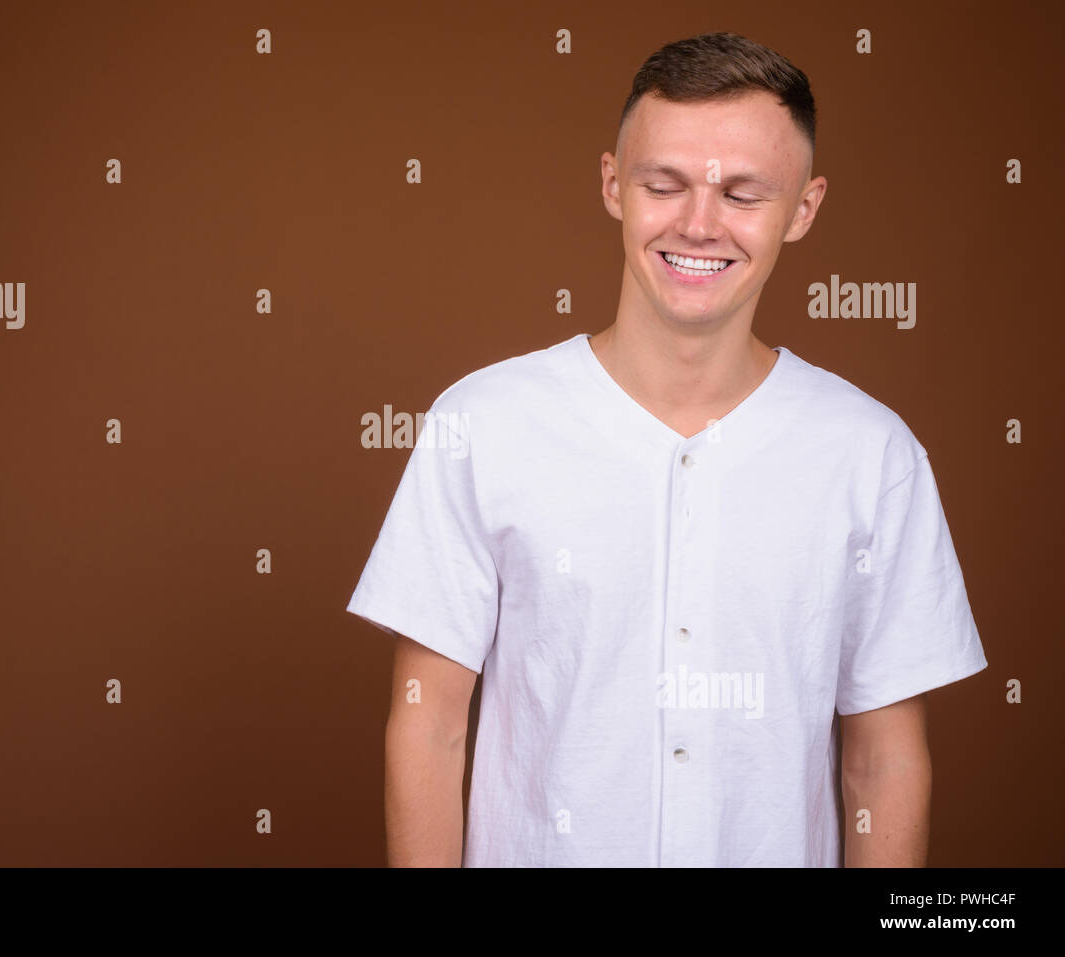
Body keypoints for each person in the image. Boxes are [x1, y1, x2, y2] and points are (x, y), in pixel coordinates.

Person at [345, 31, 987, 867]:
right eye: (664, 183)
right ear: (614, 185)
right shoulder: (482, 424)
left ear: (804, 208)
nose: (698, 223)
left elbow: (885, 756)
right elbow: (428, 725)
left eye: (744, 194)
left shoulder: (873, 456)